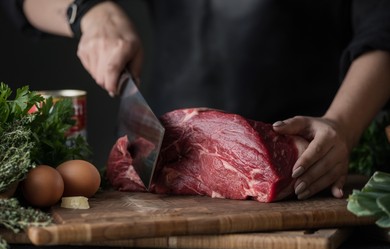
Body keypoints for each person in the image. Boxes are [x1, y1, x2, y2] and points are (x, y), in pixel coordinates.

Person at [3, 0, 390, 200]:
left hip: (306, 150)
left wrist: (343, 123)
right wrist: (88, 12)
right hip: (164, 144)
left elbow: (383, 22)